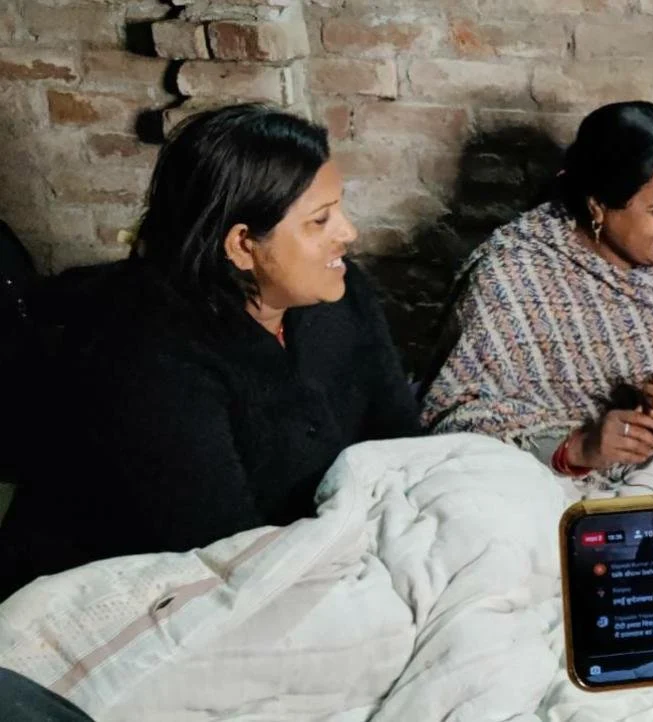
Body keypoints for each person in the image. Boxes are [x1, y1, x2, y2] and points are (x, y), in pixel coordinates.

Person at [0, 104, 420, 599]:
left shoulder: (340, 300)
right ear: (243, 245)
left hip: (315, 556)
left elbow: (402, 443)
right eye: (320, 221)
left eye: (339, 209)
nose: (347, 233)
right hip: (151, 594)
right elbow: (225, 554)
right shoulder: (147, 359)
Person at [421, 101, 653, 488]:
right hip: (545, 488)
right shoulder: (515, 276)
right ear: (598, 208)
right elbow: (455, 420)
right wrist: (578, 448)